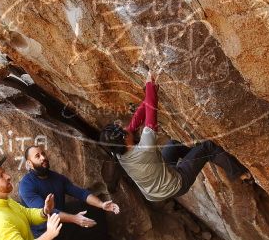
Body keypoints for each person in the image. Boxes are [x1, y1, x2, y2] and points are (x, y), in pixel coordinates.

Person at [99, 69, 251, 203]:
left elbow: (136, 120)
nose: (126, 127)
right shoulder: (144, 149)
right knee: (208, 146)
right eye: (122, 129)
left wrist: (149, 93)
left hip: (155, 188)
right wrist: (149, 84)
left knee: (172, 145)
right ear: (125, 138)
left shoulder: (117, 151)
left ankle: (199, 157)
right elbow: (152, 110)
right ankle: (241, 173)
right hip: (176, 185)